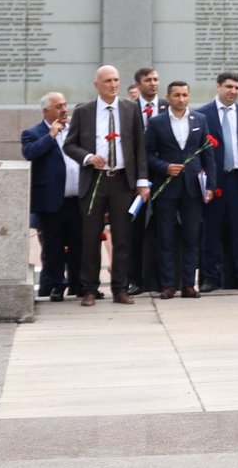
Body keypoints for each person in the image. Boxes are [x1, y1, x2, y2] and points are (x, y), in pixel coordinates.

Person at [62, 64, 151, 306]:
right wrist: (88, 157)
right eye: (108, 81)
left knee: (123, 237)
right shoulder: (84, 111)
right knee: (90, 237)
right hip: (94, 181)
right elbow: (69, 145)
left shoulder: (130, 109)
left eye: (116, 80)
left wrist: (142, 182)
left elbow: (139, 147)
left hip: (122, 180)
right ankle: (89, 288)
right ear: (97, 85)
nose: (113, 85)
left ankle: (120, 288)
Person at [145, 81, 216, 298]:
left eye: (185, 95)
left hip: (192, 188)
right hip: (167, 188)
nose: (181, 99)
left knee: (191, 236)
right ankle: (168, 284)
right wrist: (164, 167)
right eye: (176, 95)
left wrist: (211, 185)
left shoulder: (199, 120)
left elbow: (208, 155)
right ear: (168, 97)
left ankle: (188, 283)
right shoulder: (157, 122)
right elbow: (147, 154)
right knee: (165, 237)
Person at [195, 72, 238, 293]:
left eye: (236, 87)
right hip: (214, 181)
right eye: (229, 87)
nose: (233, 91)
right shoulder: (202, 114)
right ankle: (209, 279)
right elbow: (198, 152)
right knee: (211, 232)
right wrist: (205, 182)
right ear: (218, 87)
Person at [21, 91, 83, 302]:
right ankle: (57, 285)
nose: (64, 109)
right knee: (53, 247)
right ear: (46, 111)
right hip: (51, 202)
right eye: (58, 106)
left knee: (80, 244)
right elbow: (30, 153)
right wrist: (51, 136)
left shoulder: (75, 130)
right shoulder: (33, 133)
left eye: (65, 105)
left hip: (77, 200)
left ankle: (80, 285)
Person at [127, 67, 163, 296]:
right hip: (135, 180)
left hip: (164, 177)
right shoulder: (127, 110)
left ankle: (162, 279)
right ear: (138, 85)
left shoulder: (170, 108)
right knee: (134, 230)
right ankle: (135, 279)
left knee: (164, 229)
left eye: (156, 79)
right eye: (148, 80)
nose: (153, 83)